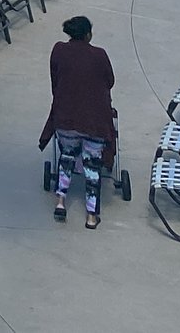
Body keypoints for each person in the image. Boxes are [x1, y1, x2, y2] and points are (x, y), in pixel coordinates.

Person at [37, 16, 118, 228]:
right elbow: (110, 81)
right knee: (92, 167)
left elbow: (55, 80)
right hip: (94, 122)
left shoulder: (59, 50)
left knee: (66, 158)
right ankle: (92, 216)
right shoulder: (99, 55)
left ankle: (61, 202)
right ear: (88, 34)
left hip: (66, 118)